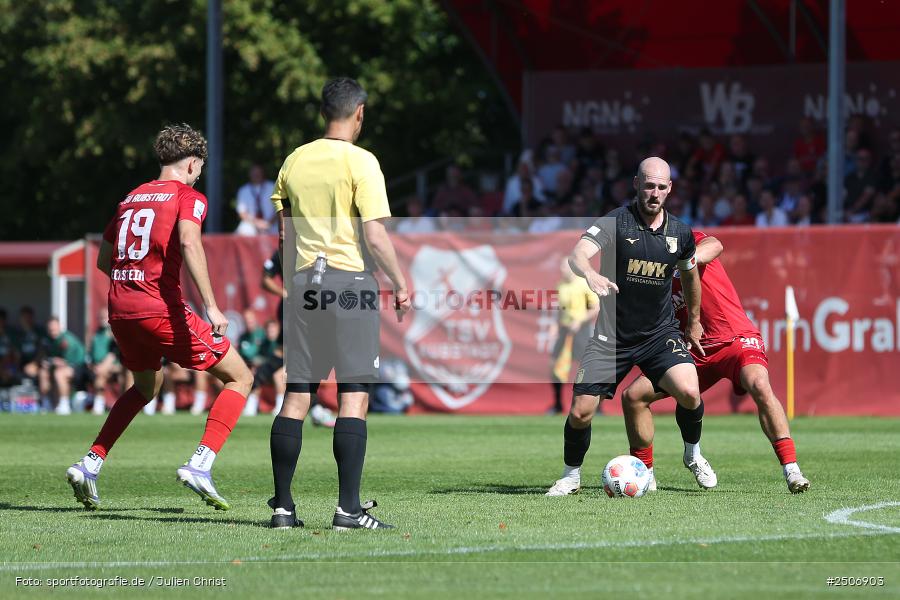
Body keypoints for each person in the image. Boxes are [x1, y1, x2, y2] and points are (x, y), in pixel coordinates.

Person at [66, 124, 253, 511]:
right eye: (199, 168)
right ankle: (200, 465)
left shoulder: (130, 198)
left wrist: (133, 284)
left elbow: (104, 259)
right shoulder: (188, 196)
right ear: (192, 163)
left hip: (120, 308)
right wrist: (213, 306)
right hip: (158, 309)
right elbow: (188, 240)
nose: (199, 174)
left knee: (147, 387)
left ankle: (90, 463)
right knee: (240, 377)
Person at [269, 77, 411, 530]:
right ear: (360, 113)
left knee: (296, 395)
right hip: (349, 283)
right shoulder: (363, 161)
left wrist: (295, 285)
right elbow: (374, 234)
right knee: (353, 395)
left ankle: (283, 509)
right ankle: (347, 510)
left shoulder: (294, 160)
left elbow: (285, 234)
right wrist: (401, 282)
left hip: (304, 284)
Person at [546, 157, 717, 496]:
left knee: (689, 391)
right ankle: (570, 476)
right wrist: (591, 273)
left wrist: (694, 321)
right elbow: (577, 254)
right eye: (649, 185)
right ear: (636, 184)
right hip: (612, 337)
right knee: (581, 412)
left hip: (659, 334)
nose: (654, 193)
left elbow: (690, 275)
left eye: (661, 187)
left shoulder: (681, 233)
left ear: (670, 190)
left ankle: (693, 454)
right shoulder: (616, 222)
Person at [622, 232, 810, 494]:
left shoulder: (679, 239)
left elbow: (715, 245)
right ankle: (648, 472)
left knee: (759, 384)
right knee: (633, 397)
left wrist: (685, 261)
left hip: (735, 337)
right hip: (693, 347)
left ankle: (792, 470)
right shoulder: (644, 276)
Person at [260, 249, 338, 426]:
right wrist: (286, 293)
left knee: (289, 357)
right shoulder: (290, 248)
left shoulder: (314, 244)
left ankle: (248, 386)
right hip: (295, 307)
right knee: (299, 357)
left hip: (312, 304)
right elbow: (264, 279)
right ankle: (314, 409)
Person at [548, 258, 599, 414]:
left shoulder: (583, 283)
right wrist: (555, 325)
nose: (562, 270)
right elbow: (560, 309)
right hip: (565, 330)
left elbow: (595, 307)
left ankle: (596, 406)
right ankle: (557, 405)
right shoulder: (561, 285)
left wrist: (580, 320)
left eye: (564, 267)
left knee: (587, 367)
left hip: (581, 330)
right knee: (555, 365)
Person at [39, 316, 86, 415]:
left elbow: (66, 362)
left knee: (59, 374)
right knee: (43, 372)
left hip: (79, 367)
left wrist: (53, 361)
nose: (52, 331)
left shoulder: (66, 340)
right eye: (50, 329)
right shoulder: (48, 340)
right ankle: (46, 403)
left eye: (54, 328)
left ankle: (64, 404)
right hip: (60, 367)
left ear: (59, 327)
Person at [87, 308, 122, 415]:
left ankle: (121, 406)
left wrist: (106, 365)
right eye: (101, 316)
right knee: (100, 374)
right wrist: (92, 365)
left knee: (103, 372)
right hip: (98, 368)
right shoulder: (95, 334)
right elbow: (90, 354)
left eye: (105, 316)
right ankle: (98, 404)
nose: (103, 319)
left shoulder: (114, 332)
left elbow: (116, 352)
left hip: (117, 366)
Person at [235, 164, 277, 235]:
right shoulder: (243, 190)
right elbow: (242, 213)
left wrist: (268, 223)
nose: (256, 175)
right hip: (250, 224)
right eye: (254, 173)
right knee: (242, 232)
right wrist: (257, 223)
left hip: (272, 224)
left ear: (263, 173)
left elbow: (279, 209)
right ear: (249, 174)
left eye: (258, 173)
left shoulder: (273, 187)